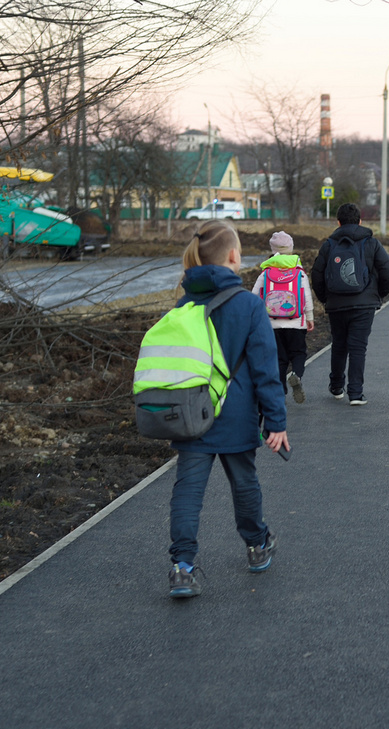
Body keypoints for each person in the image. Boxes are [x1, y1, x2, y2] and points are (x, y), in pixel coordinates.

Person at [166, 220, 290, 599]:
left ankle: (182, 567)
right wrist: (276, 421)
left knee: (188, 491)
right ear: (234, 256)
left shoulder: (184, 305)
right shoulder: (249, 306)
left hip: (191, 415)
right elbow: (266, 370)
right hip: (235, 415)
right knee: (244, 483)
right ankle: (256, 546)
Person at [310, 203, 389, 406]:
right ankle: (356, 393)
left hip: (336, 304)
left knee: (339, 345)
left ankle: (337, 386)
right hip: (364, 305)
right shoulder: (371, 243)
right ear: (360, 221)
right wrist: (376, 295)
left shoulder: (329, 245)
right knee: (358, 348)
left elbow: (316, 275)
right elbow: (388, 273)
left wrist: (325, 298)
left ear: (338, 222)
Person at [252, 231, 314, 403]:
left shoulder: (266, 273)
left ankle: (280, 392)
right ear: (291, 249)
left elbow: (254, 296)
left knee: (279, 359)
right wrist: (310, 317)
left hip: (272, 325)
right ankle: (296, 375)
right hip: (296, 323)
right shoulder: (299, 272)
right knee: (299, 353)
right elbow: (307, 297)